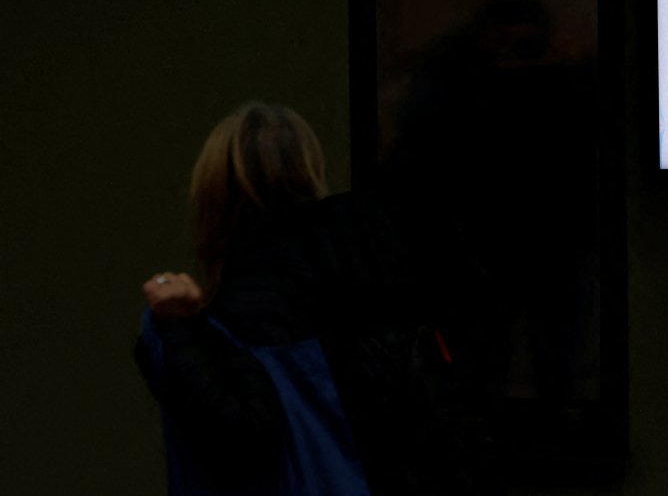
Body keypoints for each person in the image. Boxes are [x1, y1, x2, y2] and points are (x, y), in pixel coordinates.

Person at [136, 102, 497, 495]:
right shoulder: (381, 265)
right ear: (310, 170)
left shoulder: (242, 303)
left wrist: (178, 329)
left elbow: (241, 433)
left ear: (211, 192)